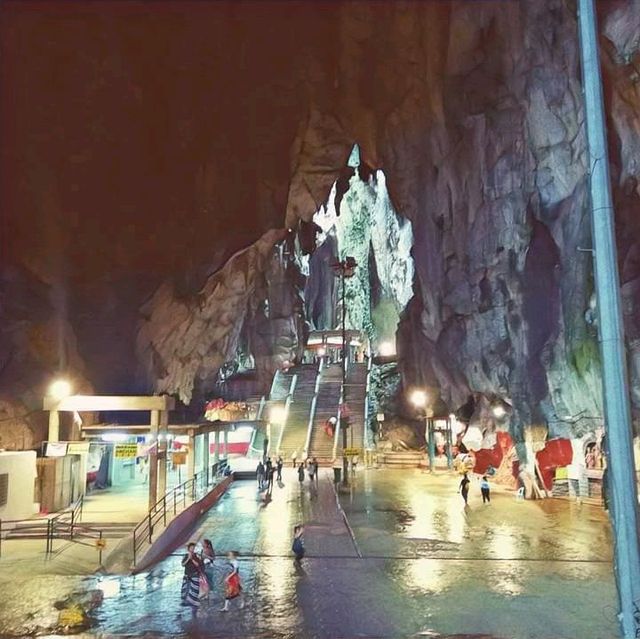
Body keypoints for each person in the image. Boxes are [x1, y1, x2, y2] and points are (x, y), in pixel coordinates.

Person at [181, 542, 204, 607]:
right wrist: (188, 558)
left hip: (194, 574)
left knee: (195, 588)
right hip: (187, 574)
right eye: (191, 548)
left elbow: (198, 564)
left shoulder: (196, 556)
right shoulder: (185, 556)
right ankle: (185, 600)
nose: (193, 549)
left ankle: (193, 600)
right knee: (185, 588)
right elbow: (183, 564)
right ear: (188, 549)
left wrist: (192, 559)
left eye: (193, 548)